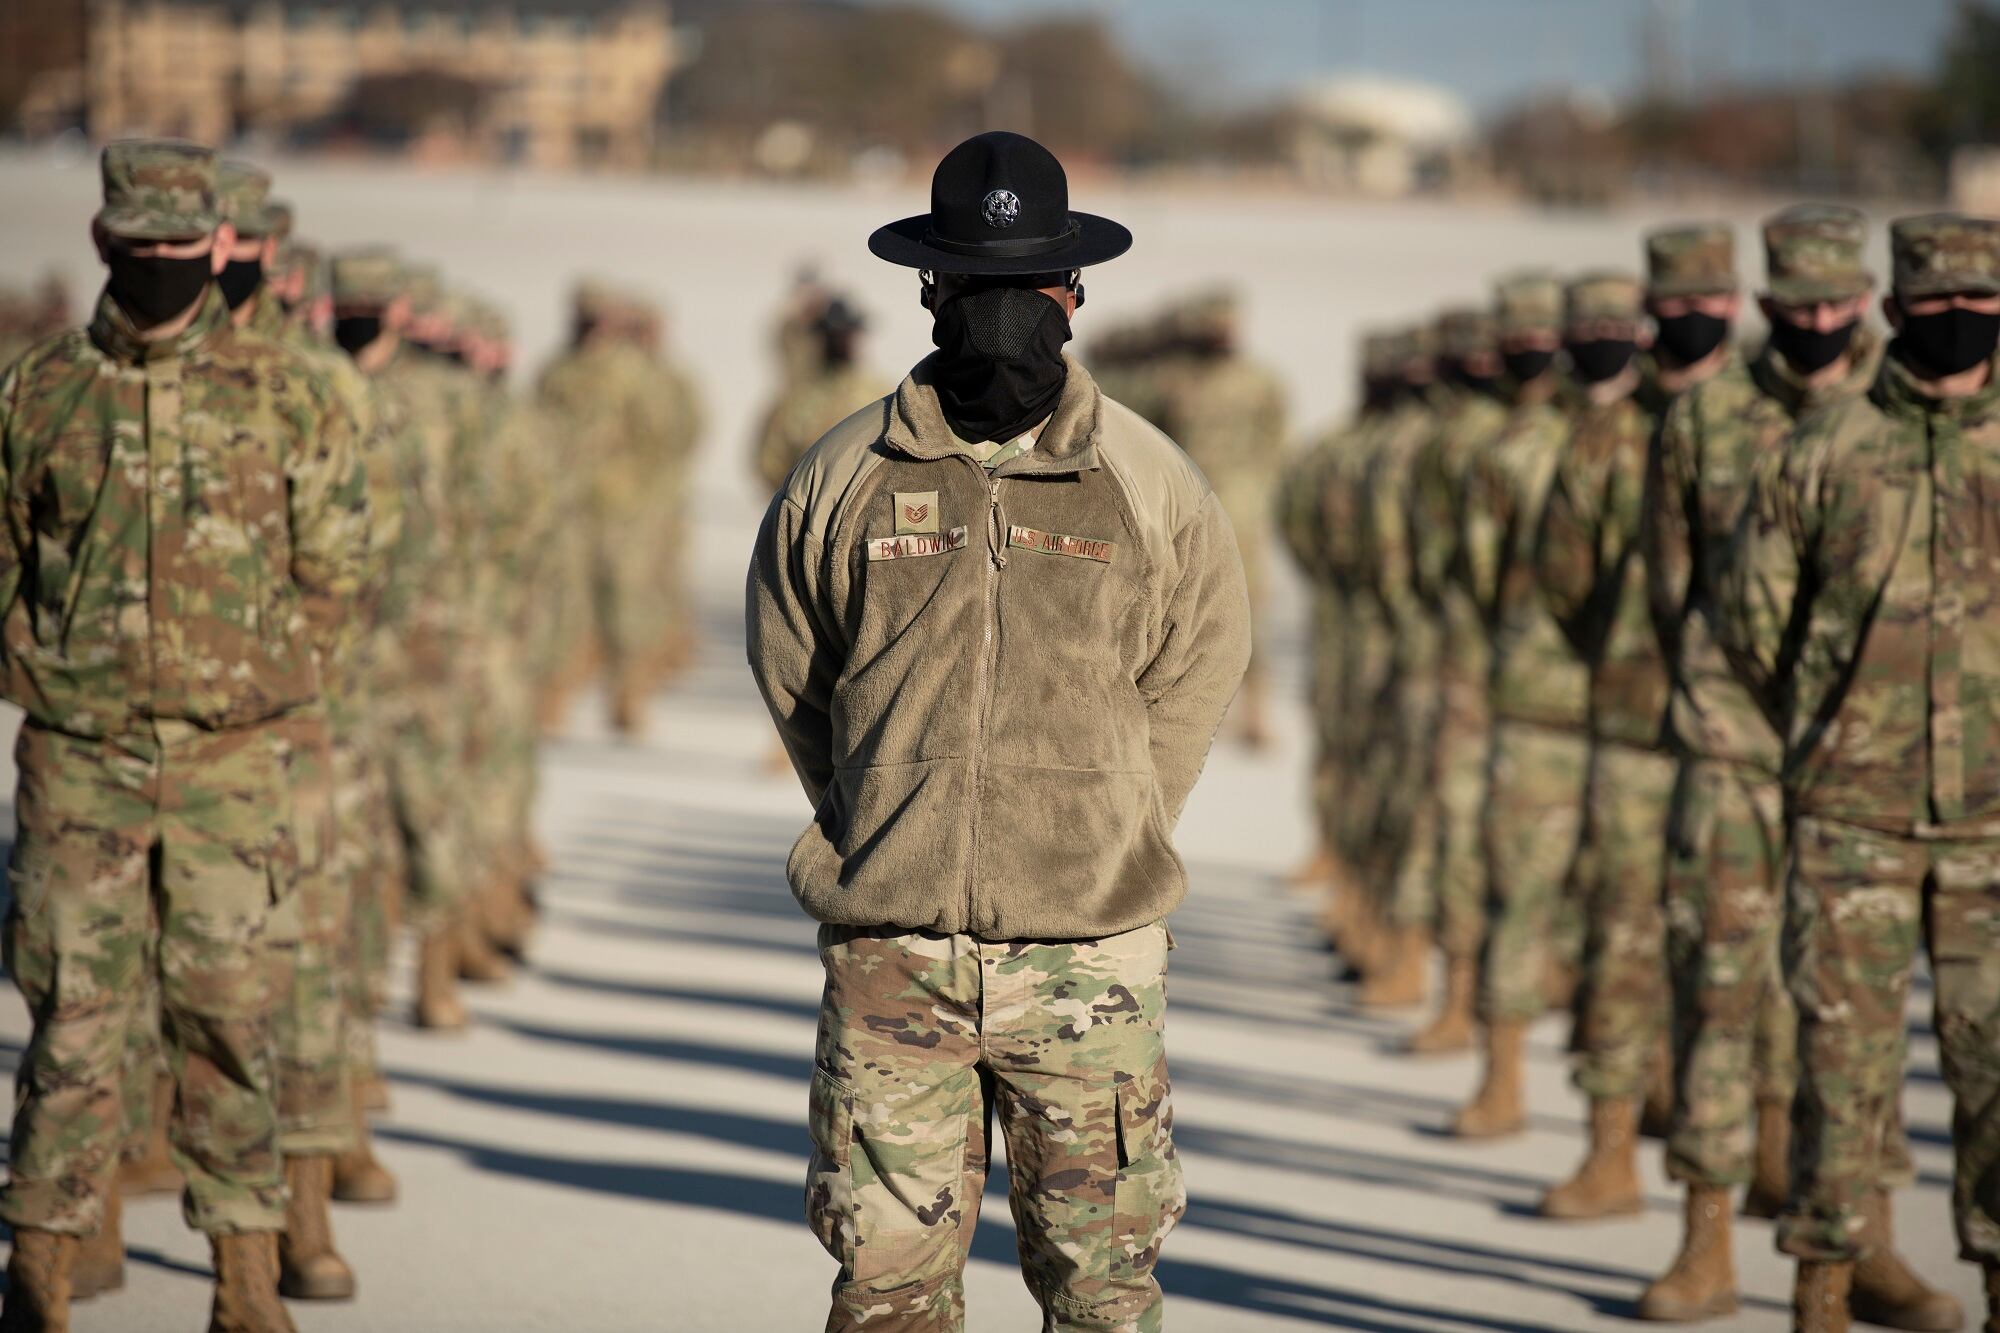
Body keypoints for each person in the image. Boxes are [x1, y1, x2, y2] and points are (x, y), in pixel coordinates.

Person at [748, 130, 1250, 1332]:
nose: (1000, 317)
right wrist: (883, 809)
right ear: (928, 291)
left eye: (1022, 290)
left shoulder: (1146, 477)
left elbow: (1197, 662)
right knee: (884, 1292)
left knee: (1101, 1292)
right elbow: (794, 669)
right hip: (893, 962)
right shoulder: (844, 473)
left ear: (1072, 291)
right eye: (974, 290)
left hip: (1086, 966)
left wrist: (1111, 816)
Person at [0, 138, 370, 1333]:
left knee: (228, 1019)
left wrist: (260, 686)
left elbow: (337, 572)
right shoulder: (41, 389)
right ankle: (41, 1275)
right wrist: (53, 679)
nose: (161, 266)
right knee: (73, 1021)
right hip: (82, 763)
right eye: (140, 246)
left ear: (217, 247)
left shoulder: (289, 390)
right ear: (104, 243)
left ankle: (246, 1281)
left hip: (228, 763)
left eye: (181, 247)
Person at [1720, 212, 2000, 1333]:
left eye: (1973, 303)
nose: (1951, 325)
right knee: (1839, 1070)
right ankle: (1823, 1293)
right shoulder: (1817, 452)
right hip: (1851, 817)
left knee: (1992, 1085)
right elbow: (1753, 619)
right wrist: (1833, 723)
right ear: (1889, 313)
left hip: (1991, 826)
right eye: (1928, 306)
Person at [1450, 269, 1587, 1140]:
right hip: (1566, 701)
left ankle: (1511, 1081)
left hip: (1556, 696)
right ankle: (1508, 1077)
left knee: (1541, 895)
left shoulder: (1503, 450)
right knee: (1545, 893)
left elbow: (1480, 578)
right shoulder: (1627, 438)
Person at [1401, 303, 1509, 1049]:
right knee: (1461, 837)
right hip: (1468, 668)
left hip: (1569, 693)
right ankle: (1460, 998)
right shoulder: (1450, 449)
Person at [1147, 289, 1288, 748]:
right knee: (1191, 612)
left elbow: (1276, 441)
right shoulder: (1179, 383)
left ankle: (1256, 711)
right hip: (1194, 512)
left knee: (1251, 613)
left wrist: (1261, 486)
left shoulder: (1262, 381)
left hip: (1244, 512)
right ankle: (1199, 710)